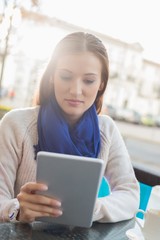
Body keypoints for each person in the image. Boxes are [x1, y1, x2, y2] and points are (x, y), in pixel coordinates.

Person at [0, 32, 139, 223]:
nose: (75, 90)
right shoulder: (15, 124)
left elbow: (130, 194)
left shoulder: (106, 130)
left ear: (101, 84)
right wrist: (17, 210)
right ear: (51, 78)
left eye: (89, 80)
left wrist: (93, 208)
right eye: (65, 76)